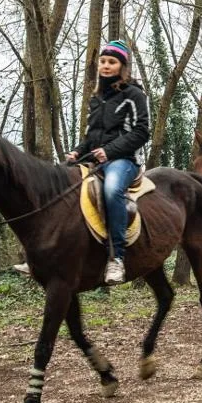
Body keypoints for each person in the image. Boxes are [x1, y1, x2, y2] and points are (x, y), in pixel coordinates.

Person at [67, 40, 150, 285]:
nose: (105, 65)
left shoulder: (134, 94)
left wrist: (110, 151)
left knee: (112, 190)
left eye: (112, 62)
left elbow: (142, 132)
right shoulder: (96, 98)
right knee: (58, 183)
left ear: (122, 66)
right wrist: (77, 152)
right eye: (103, 61)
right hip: (95, 160)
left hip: (124, 160)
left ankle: (117, 258)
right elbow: (90, 136)